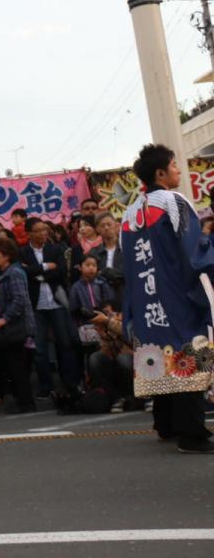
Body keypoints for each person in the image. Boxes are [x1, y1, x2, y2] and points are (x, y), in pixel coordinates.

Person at [120, 144, 214, 453]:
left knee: (159, 356)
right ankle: (192, 435)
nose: (178, 171)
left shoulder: (129, 214)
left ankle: (166, 425)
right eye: (174, 165)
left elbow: (129, 267)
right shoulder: (174, 202)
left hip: (146, 302)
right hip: (177, 298)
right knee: (187, 356)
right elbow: (193, 253)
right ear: (160, 173)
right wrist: (208, 238)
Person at [20, 219, 81, 399]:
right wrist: (45, 267)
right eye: (38, 231)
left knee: (64, 344)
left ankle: (69, 383)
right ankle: (45, 387)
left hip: (56, 302)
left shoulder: (55, 249)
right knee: (39, 349)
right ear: (29, 233)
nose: (43, 233)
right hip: (35, 305)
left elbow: (61, 271)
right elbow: (24, 273)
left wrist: (38, 274)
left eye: (44, 230)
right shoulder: (23, 252)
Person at [0, 238, 36, 413]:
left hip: (17, 328)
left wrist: (5, 318)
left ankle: (25, 402)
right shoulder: (3, 273)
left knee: (18, 367)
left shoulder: (14, 273)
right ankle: (22, 400)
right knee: (14, 366)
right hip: (10, 329)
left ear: (6, 256)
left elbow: (19, 300)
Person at [89, 213, 125, 309]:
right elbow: (92, 275)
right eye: (102, 225)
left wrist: (105, 272)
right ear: (97, 229)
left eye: (109, 224)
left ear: (116, 225)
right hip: (103, 299)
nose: (106, 228)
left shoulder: (127, 248)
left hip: (126, 294)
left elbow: (130, 271)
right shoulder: (94, 252)